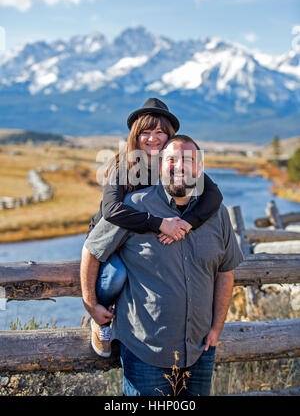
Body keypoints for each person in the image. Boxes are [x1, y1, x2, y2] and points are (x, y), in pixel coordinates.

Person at [81, 135, 244, 396]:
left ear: (200, 168)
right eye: (171, 159)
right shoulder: (134, 207)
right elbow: (92, 250)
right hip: (145, 351)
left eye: (187, 160)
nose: (179, 166)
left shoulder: (217, 214)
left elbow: (225, 271)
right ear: (160, 166)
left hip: (199, 350)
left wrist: (216, 328)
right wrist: (90, 303)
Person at [87, 98, 223, 358]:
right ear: (135, 136)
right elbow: (111, 210)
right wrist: (160, 223)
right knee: (116, 276)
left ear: (169, 135)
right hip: (110, 238)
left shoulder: (175, 162)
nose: (153, 138)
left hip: (140, 240)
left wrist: (187, 223)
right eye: (145, 132)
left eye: (160, 132)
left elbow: (214, 195)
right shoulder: (124, 164)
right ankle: (101, 319)